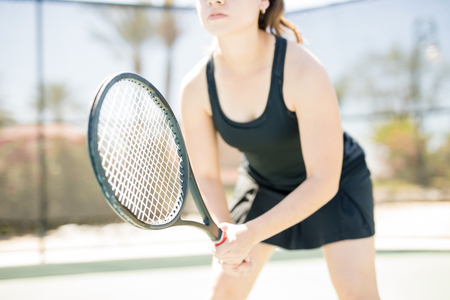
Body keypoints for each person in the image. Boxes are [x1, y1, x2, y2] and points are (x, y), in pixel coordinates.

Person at [180, 0, 380, 299]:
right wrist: (226, 235)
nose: (215, 0)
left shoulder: (304, 70)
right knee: (221, 293)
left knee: (357, 294)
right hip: (263, 184)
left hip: (336, 184)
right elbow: (206, 175)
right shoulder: (195, 88)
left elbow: (324, 180)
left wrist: (251, 233)